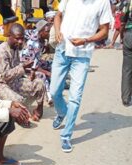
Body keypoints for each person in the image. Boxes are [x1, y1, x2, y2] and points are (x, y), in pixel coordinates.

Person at [50, 0, 112, 152]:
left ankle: (66, 135)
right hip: (62, 50)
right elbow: (58, 15)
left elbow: (105, 30)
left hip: (82, 55)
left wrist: (86, 40)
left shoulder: (102, 3)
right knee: (54, 92)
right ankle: (63, 112)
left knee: (75, 97)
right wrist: (58, 31)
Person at [0, 23, 46, 122]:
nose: (20, 42)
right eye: (17, 38)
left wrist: (30, 71)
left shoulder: (15, 47)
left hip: (14, 80)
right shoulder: (1, 52)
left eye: (22, 38)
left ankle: (38, 110)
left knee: (39, 83)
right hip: (0, 84)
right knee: (19, 101)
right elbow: (5, 76)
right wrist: (22, 68)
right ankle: (22, 118)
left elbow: (16, 67)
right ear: (9, 36)